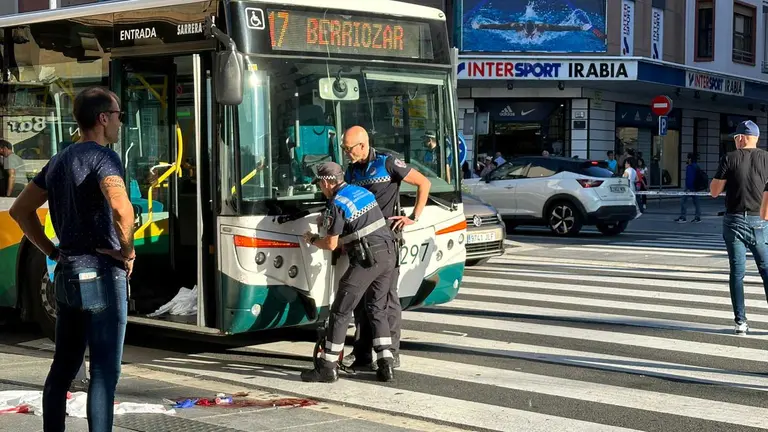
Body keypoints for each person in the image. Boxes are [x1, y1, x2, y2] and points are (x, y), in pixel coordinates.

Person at [9, 86, 135, 432]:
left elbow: (20, 211)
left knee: (63, 367)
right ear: (103, 118)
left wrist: (52, 252)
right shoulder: (103, 157)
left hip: (66, 275)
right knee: (105, 372)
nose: (120, 123)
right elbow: (122, 209)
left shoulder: (59, 160)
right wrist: (127, 251)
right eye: (118, 115)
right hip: (102, 275)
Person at [339, 125, 431, 371]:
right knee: (361, 300)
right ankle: (362, 354)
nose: (346, 153)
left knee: (387, 298)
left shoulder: (388, 163)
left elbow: (424, 183)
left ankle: (391, 353)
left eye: (348, 148)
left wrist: (414, 217)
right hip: (361, 244)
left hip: (388, 242)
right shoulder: (351, 171)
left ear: (362, 144)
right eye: (343, 149)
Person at [300, 162, 397, 383]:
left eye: (320, 185)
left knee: (340, 311)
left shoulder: (336, 203)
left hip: (368, 259)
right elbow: (360, 223)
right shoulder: (360, 191)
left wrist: (312, 239)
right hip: (389, 254)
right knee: (377, 309)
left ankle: (327, 366)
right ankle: (385, 365)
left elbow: (331, 244)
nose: (321, 189)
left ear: (327, 182)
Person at [712, 120, 768, 335]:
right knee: (766, 269)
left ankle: (741, 322)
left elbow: (715, 191)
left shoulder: (729, 158)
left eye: (736, 137)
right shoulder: (767, 158)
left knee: (737, 273)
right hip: (760, 222)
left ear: (742, 137)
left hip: (734, 220)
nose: (735, 141)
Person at [676, 153, 702, 223]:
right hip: (695, 187)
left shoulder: (690, 167)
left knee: (683, 201)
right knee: (696, 202)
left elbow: (689, 178)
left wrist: (689, 188)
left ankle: (683, 217)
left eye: (688, 158)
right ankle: (697, 217)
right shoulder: (696, 166)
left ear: (690, 159)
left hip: (689, 187)